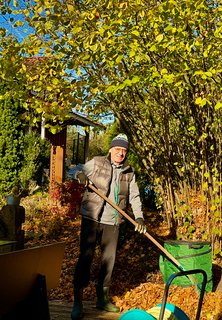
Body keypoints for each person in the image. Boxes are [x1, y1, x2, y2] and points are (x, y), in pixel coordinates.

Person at [68, 133, 147, 320]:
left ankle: (102, 299)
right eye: (118, 149)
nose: (121, 153)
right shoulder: (96, 163)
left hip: (113, 221)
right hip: (92, 218)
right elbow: (74, 170)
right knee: (85, 258)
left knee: (108, 261)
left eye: (124, 151)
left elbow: (134, 196)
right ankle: (77, 302)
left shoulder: (128, 172)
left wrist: (139, 218)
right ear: (111, 149)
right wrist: (79, 175)